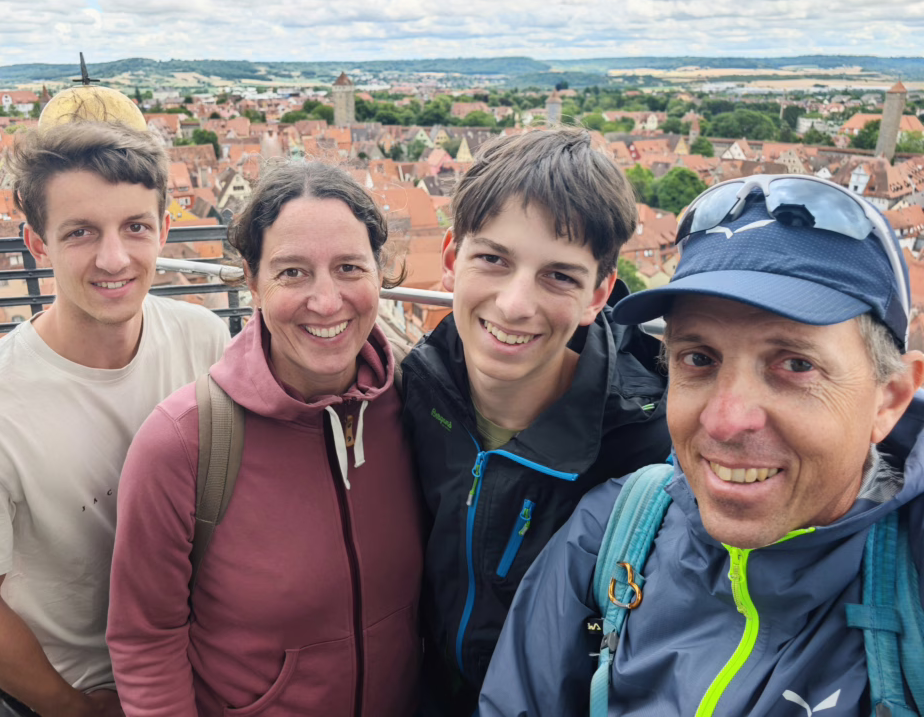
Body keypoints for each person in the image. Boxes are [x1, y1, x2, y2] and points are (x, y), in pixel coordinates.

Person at [480, 174, 924, 716]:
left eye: (796, 364)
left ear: (890, 398)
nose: (725, 420)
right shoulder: (609, 536)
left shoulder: (912, 582)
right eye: (699, 359)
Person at [0, 120, 229, 717]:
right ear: (38, 244)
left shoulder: (203, 337)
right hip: (89, 690)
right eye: (80, 232)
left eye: (135, 227)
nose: (113, 258)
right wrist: (74, 709)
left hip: (208, 665)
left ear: (164, 231)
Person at [107, 162, 424, 717]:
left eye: (349, 267)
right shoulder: (184, 444)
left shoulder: (421, 405)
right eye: (293, 273)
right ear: (252, 281)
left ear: (381, 272)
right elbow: (145, 640)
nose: (326, 302)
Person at [400, 128, 671, 714]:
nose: (515, 304)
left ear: (598, 295)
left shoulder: (651, 449)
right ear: (452, 259)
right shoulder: (413, 395)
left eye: (558, 276)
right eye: (493, 259)